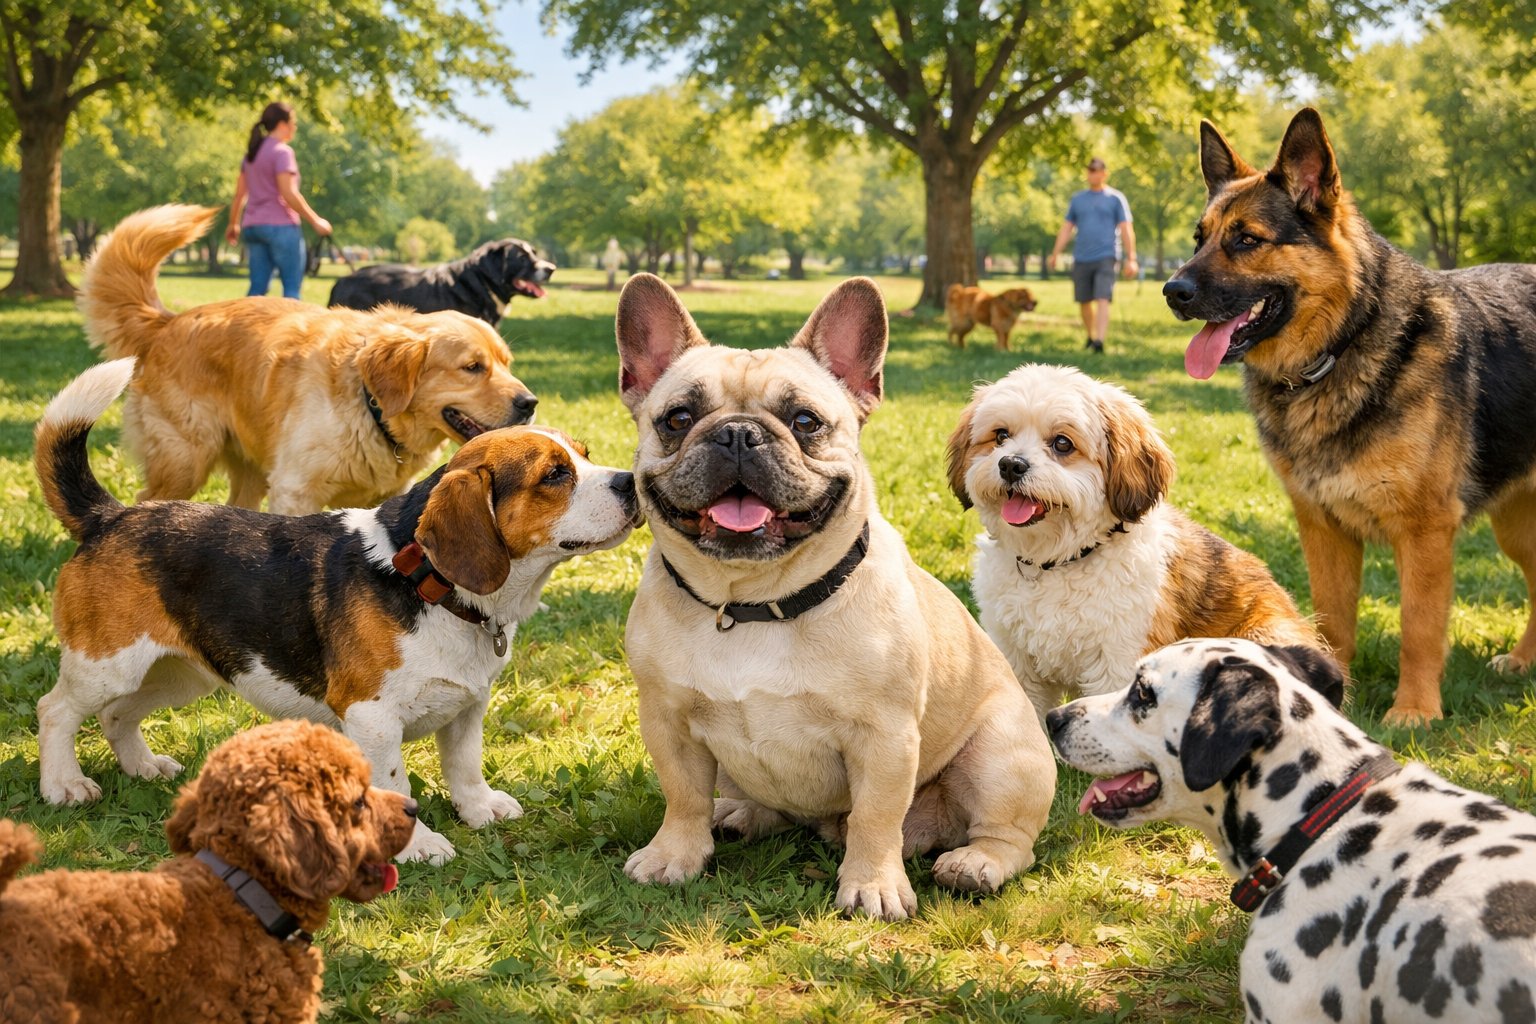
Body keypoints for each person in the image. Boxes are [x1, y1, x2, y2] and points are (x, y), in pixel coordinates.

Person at [224, 102, 331, 300]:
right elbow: (289, 194)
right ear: (283, 124)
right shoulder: (282, 152)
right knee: (291, 289)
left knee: (257, 289)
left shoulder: (251, 154)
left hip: (253, 227)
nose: (295, 127)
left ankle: (243, 330)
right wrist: (316, 221)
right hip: (280, 227)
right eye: (294, 122)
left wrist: (233, 224)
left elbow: (239, 195)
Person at [1047, 157, 1138, 353]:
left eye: (1096, 170)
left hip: (1107, 256)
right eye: (1089, 170)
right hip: (1081, 257)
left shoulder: (1115, 199)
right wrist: (1055, 253)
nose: (1092, 173)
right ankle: (1090, 335)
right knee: (1084, 301)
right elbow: (1066, 229)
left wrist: (1131, 258)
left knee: (1102, 297)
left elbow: (1126, 228)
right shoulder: (1077, 199)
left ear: (1104, 173)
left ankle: (1099, 341)